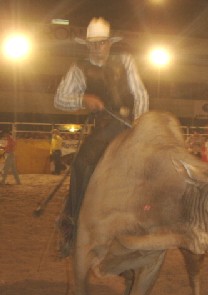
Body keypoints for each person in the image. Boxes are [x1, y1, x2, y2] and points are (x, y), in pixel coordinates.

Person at [54, 17, 149, 256]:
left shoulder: (126, 61)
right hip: (105, 126)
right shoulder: (79, 67)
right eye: (93, 44)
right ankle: (74, 223)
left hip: (130, 123)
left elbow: (140, 94)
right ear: (87, 45)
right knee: (82, 163)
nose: (98, 48)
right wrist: (83, 100)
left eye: (102, 43)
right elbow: (59, 99)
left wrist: (139, 123)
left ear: (109, 43)